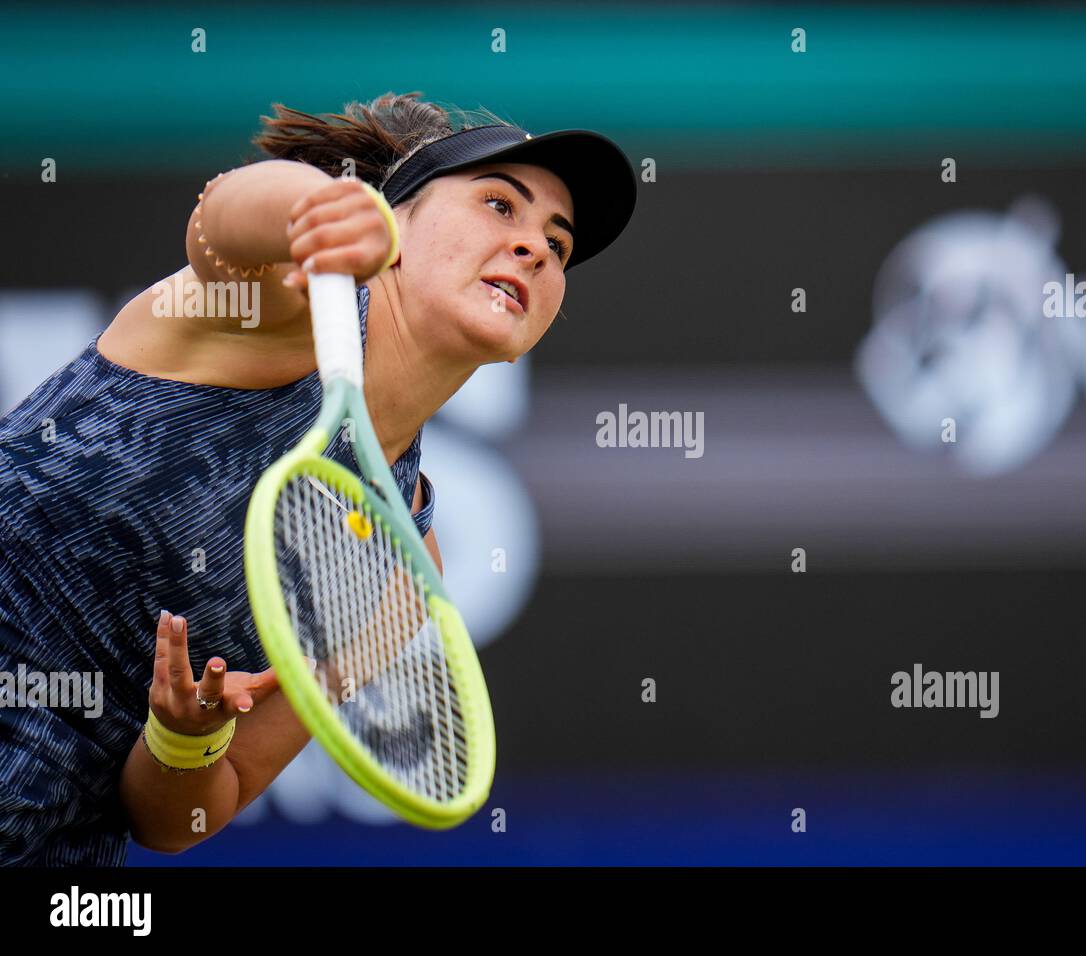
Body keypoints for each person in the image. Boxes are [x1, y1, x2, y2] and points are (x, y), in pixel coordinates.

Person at [0, 92, 637, 864]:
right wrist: (324, 207)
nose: (535, 248)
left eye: (557, 245)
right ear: (393, 221)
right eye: (500, 206)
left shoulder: (405, 571)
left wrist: (183, 739)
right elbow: (221, 221)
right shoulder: (278, 310)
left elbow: (176, 820)